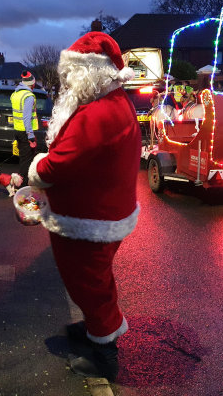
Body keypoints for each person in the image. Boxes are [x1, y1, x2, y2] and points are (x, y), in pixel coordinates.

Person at [27, 32, 141, 382]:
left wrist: (37, 168)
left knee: (88, 283)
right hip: (101, 213)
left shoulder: (96, 113)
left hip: (88, 220)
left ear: (88, 73)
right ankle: (97, 328)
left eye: (70, 75)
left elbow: (58, 164)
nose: (66, 83)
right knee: (95, 279)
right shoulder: (111, 101)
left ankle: (105, 355)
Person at [11, 70, 38, 186]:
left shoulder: (15, 94)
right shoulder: (28, 96)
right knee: (27, 161)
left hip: (18, 130)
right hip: (25, 132)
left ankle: (19, 183)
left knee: (23, 159)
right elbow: (26, 117)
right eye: (33, 84)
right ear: (31, 84)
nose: (34, 86)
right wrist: (30, 136)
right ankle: (23, 186)